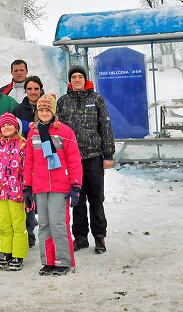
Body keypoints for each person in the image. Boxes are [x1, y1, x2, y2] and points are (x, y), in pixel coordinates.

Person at [56, 65, 115, 254]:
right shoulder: (63, 101)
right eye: (73, 77)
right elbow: (58, 131)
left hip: (94, 157)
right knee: (77, 199)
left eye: (80, 76)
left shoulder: (96, 98)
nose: (77, 80)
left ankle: (99, 237)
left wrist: (108, 154)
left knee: (96, 198)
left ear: (85, 79)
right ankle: (80, 237)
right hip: (72, 160)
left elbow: (105, 126)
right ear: (70, 80)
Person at [23, 94, 82, 276]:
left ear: (53, 111)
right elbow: (29, 161)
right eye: (41, 110)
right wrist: (27, 187)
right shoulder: (33, 133)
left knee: (58, 224)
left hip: (60, 186)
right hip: (40, 186)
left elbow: (74, 160)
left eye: (47, 109)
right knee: (44, 225)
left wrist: (76, 185)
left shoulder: (65, 131)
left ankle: (63, 261)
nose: (44, 113)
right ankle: (48, 261)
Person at [0, 112, 28, 271]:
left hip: (16, 191)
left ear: (16, 127)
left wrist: (27, 189)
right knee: (3, 223)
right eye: (3, 125)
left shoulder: (23, 145)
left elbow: (26, 169)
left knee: (18, 222)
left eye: (9, 124)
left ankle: (18, 254)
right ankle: (6, 252)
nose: (6, 127)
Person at [12, 75, 45, 246]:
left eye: (36, 89)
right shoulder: (18, 110)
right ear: (25, 90)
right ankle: (29, 235)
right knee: (28, 198)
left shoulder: (47, 108)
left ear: (41, 89)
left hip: (44, 159)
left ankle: (47, 235)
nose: (33, 92)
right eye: (30, 89)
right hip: (24, 160)